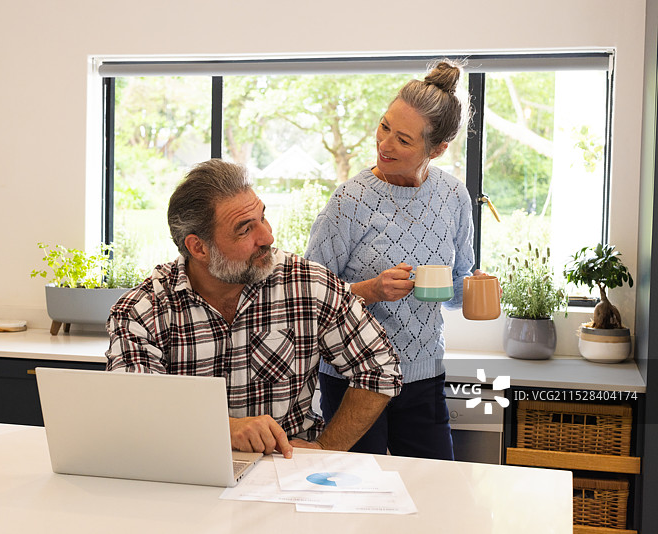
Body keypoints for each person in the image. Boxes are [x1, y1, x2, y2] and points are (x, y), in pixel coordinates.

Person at [106, 158, 402, 458]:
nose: (267, 237)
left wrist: (326, 447)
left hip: (286, 474)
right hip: (184, 472)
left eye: (263, 218)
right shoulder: (143, 310)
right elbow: (135, 409)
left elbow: (380, 368)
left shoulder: (307, 286)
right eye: (245, 229)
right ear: (198, 248)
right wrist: (225, 429)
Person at [305, 59, 483, 459]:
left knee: (434, 497)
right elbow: (307, 299)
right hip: (354, 378)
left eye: (403, 140)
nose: (384, 145)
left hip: (424, 376)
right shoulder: (348, 202)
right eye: (385, 127)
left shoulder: (453, 197)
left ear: (437, 149)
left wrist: (475, 288)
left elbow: (454, 292)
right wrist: (371, 290)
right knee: (357, 501)